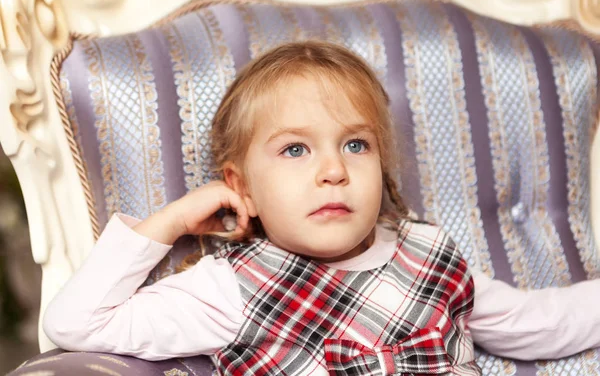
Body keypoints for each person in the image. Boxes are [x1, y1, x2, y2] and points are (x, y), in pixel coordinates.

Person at [43, 41, 600, 375]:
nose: (333, 170)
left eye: (356, 144)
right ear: (244, 189)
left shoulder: (430, 256)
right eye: (294, 149)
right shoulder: (231, 289)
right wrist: (171, 222)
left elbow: (540, 323)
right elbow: (77, 324)